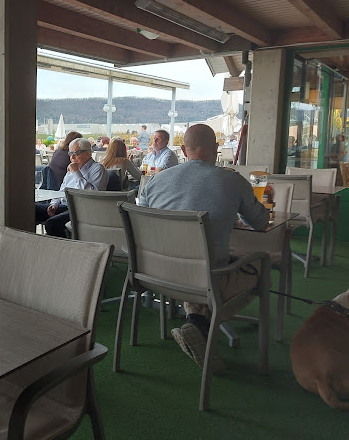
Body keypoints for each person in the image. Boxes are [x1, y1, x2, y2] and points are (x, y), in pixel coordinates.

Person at [139, 124, 269, 369]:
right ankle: (204, 324)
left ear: (183, 150)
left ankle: (197, 323)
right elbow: (260, 223)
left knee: (204, 259)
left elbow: (142, 223)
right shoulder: (232, 180)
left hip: (155, 273)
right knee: (260, 262)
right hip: (204, 276)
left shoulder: (155, 182)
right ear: (216, 149)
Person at [36, 138, 108, 237]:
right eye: (70, 154)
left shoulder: (98, 169)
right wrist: (54, 204)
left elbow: (91, 194)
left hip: (82, 210)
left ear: (88, 153)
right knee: (30, 209)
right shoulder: (73, 167)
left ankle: (67, 249)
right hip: (64, 206)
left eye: (76, 153)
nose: (72, 157)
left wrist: (76, 173)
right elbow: (62, 190)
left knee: (52, 224)